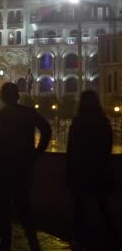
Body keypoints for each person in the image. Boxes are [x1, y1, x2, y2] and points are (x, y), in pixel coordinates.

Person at [0, 82, 51, 251]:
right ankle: (33, 242)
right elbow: (46, 130)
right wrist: (36, 153)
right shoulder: (28, 114)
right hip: (23, 166)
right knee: (24, 205)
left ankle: (6, 243)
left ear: (2, 98)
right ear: (18, 96)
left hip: (2, 168)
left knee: (3, 208)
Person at [66, 90, 115, 249]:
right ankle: (111, 237)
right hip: (100, 170)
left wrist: (70, 171)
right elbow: (107, 146)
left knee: (80, 209)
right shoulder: (103, 121)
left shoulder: (78, 122)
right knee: (103, 206)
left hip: (80, 171)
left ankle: (79, 239)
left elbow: (71, 149)